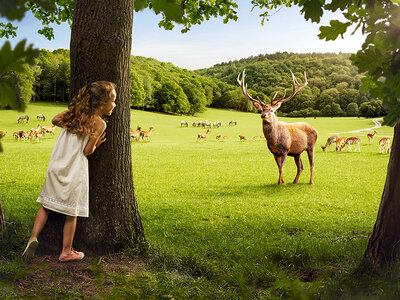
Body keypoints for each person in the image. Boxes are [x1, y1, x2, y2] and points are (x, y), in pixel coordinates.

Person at [22, 81, 117, 262]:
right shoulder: (100, 124)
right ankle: (66, 251)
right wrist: (95, 143)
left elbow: (54, 120)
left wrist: (72, 124)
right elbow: (86, 151)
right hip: (74, 170)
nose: (114, 104)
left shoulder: (73, 114)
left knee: (46, 205)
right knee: (71, 213)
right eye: (112, 101)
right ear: (102, 103)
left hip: (56, 166)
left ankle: (33, 237)